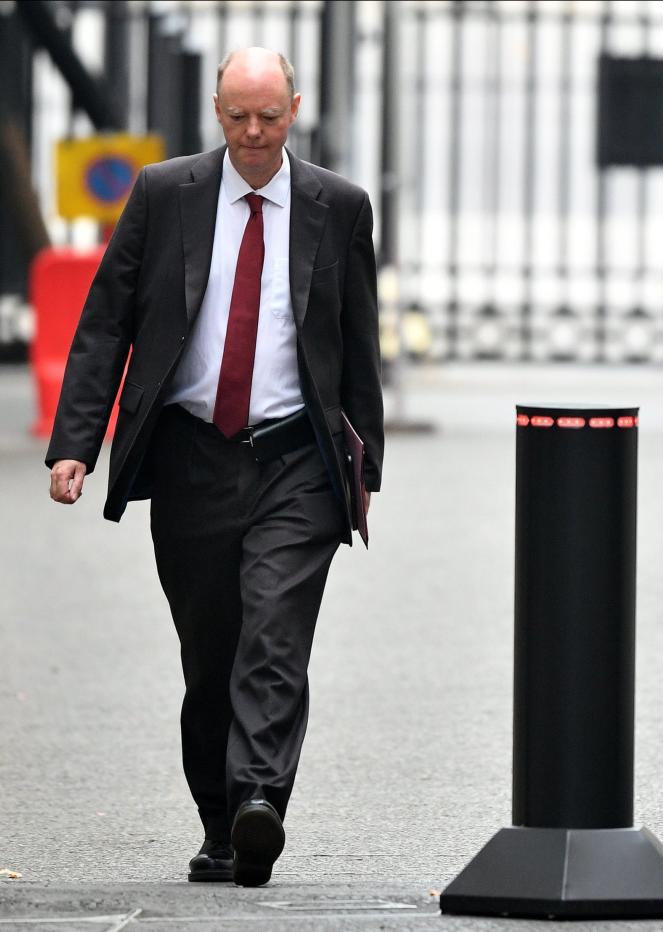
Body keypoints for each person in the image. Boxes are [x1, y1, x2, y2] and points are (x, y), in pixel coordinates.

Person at [45, 47, 383, 887]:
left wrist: (364, 463)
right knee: (211, 651)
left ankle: (259, 797)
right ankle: (221, 823)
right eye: (238, 116)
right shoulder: (167, 195)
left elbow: (358, 341)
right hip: (193, 453)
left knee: (274, 635)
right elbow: (105, 321)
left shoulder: (337, 207)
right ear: (216, 108)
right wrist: (75, 444)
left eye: (269, 116)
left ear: (294, 110)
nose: (254, 132)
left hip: (296, 456)